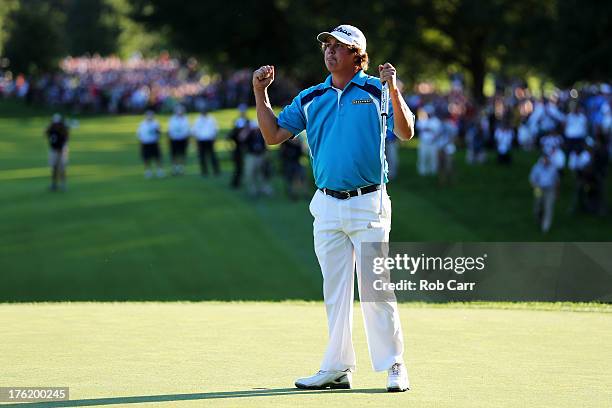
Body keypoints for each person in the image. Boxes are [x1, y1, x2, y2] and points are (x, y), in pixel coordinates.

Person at [253, 24, 414, 392]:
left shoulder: (376, 91)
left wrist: (393, 88)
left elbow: (405, 132)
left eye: (339, 46)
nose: (329, 51)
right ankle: (338, 367)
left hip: (368, 202)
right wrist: (260, 93)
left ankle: (393, 364)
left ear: (358, 55)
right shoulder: (312, 98)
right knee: (335, 290)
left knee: (376, 287)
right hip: (326, 205)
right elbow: (273, 135)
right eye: (327, 45)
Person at [529, 154, 559, 233]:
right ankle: (539, 219)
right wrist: (535, 187)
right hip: (539, 188)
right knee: (537, 206)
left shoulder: (553, 168)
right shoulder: (537, 167)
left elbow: (557, 180)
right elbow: (532, 179)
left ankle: (545, 227)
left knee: (548, 207)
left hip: (550, 190)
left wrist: (556, 191)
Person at [243, 120, 273, 197]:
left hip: (261, 155)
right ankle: (253, 189)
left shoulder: (261, 134)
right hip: (251, 156)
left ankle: (264, 188)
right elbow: (241, 138)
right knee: (250, 173)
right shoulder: (249, 135)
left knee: (261, 173)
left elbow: (267, 144)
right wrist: (247, 130)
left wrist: (267, 154)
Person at [191, 109, 220, 177]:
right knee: (202, 157)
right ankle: (204, 171)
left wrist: (213, 137)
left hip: (209, 140)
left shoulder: (211, 119)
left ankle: (216, 170)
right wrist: (197, 137)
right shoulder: (198, 120)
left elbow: (215, 129)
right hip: (201, 140)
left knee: (212, 156)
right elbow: (193, 130)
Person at [227, 104, 250, 188]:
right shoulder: (237, 122)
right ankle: (236, 183)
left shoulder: (248, 122)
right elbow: (232, 136)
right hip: (239, 148)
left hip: (247, 148)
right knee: (238, 167)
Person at [45, 113, 69, 191]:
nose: (56, 125)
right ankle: (54, 184)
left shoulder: (63, 131)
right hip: (53, 150)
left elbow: (64, 141)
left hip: (62, 150)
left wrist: (61, 151)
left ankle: (63, 184)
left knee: (62, 168)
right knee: (54, 167)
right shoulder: (51, 129)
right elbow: (46, 134)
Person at [137, 110, 164, 178]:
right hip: (145, 143)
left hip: (154, 143)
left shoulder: (156, 123)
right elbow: (139, 134)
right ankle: (148, 171)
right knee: (146, 158)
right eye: (148, 116)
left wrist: (157, 130)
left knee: (157, 157)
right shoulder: (142, 124)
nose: (150, 117)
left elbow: (159, 132)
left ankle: (159, 171)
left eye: (151, 116)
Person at [279, 135, 306, 200]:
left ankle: (303, 193)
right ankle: (292, 193)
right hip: (288, 162)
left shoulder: (298, 142)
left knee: (300, 177)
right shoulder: (285, 142)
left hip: (296, 162)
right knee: (290, 179)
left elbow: (302, 151)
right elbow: (282, 153)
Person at [416, 105, 441, 175]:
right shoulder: (422, 120)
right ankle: (423, 172)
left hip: (433, 143)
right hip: (423, 142)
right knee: (423, 157)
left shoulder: (436, 121)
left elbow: (438, 133)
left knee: (433, 158)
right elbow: (419, 128)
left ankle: (433, 172)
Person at [167, 105, 190, 175]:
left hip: (183, 139)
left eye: (181, 111)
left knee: (182, 154)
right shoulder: (172, 119)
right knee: (174, 154)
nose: (179, 112)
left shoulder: (185, 119)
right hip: (174, 139)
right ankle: (175, 168)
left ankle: (181, 168)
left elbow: (187, 129)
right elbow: (170, 130)